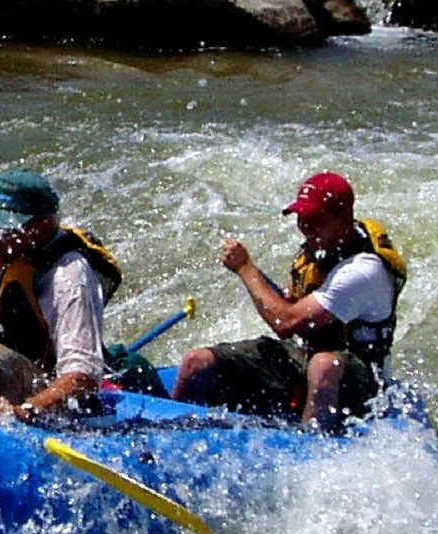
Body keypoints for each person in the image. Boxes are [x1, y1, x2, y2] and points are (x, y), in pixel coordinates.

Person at [171, 171, 407, 433]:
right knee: (196, 361)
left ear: (342, 218)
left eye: (314, 219)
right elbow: (301, 305)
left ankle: (313, 447)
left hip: (361, 380)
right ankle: (168, 435)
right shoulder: (325, 241)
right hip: (305, 354)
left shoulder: (363, 270)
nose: (305, 226)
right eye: (302, 217)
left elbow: (285, 322)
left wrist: (245, 268)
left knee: (324, 365)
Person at [0, 169, 123, 424]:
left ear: (44, 225)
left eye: (9, 229)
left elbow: (82, 377)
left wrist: (23, 410)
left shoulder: (70, 276)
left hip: (32, 391)